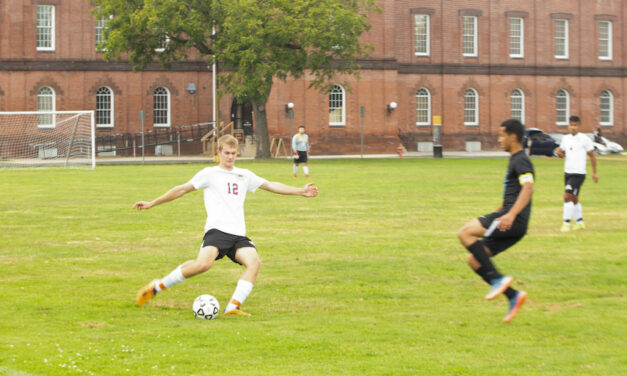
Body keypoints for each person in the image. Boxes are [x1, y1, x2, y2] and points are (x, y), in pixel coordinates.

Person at [133, 135, 319, 316]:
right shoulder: (209, 174)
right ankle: (156, 287)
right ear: (219, 152)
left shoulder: (244, 175)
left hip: (238, 235)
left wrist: (300, 191)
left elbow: (271, 185)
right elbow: (181, 189)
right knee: (202, 265)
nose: (230, 157)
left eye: (233, 153)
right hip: (217, 231)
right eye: (227, 153)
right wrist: (152, 202)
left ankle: (232, 307)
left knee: (254, 263)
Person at [457, 119, 534, 323]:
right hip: (511, 219)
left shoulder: (521, 160)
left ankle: (498, 280)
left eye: (502, 135)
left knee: (465, 233)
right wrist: (501, 209)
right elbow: (515, 191)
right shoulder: (514, 160)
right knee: (474, 260)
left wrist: (510, 214)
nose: (499, 139)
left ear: (513, 136)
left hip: (512, 221)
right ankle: (513, 296)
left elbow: (528, 188)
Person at [555, 116, 598, 232]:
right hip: (568, 172)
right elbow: (562, 155)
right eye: (571, 125)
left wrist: (595, 173)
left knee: (567, 196)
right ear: (568, 126)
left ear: (579, 126)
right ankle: (580, 222)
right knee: (574, 198)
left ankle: (566, 223)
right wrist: (559, 153)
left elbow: (592, 156)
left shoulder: (584, 139)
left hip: (579, 173)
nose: (573, 128)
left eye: (575, 125)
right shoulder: (565, 139)